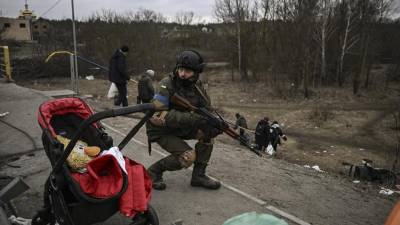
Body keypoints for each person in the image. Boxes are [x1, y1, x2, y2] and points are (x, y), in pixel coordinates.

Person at [146, 50, 222, 191]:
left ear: (196, 73)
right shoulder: (166, 84)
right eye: (181, 69)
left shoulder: (197, 86)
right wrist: (194, 118)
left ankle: (198, 176)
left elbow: (206, 108)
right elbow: (158, 114)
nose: (182, 74)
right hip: (161, 129)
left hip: (181, 127)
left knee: (208, 134)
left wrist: (213, 123)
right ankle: (153, 172)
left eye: (187, 71)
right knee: (188, 157)